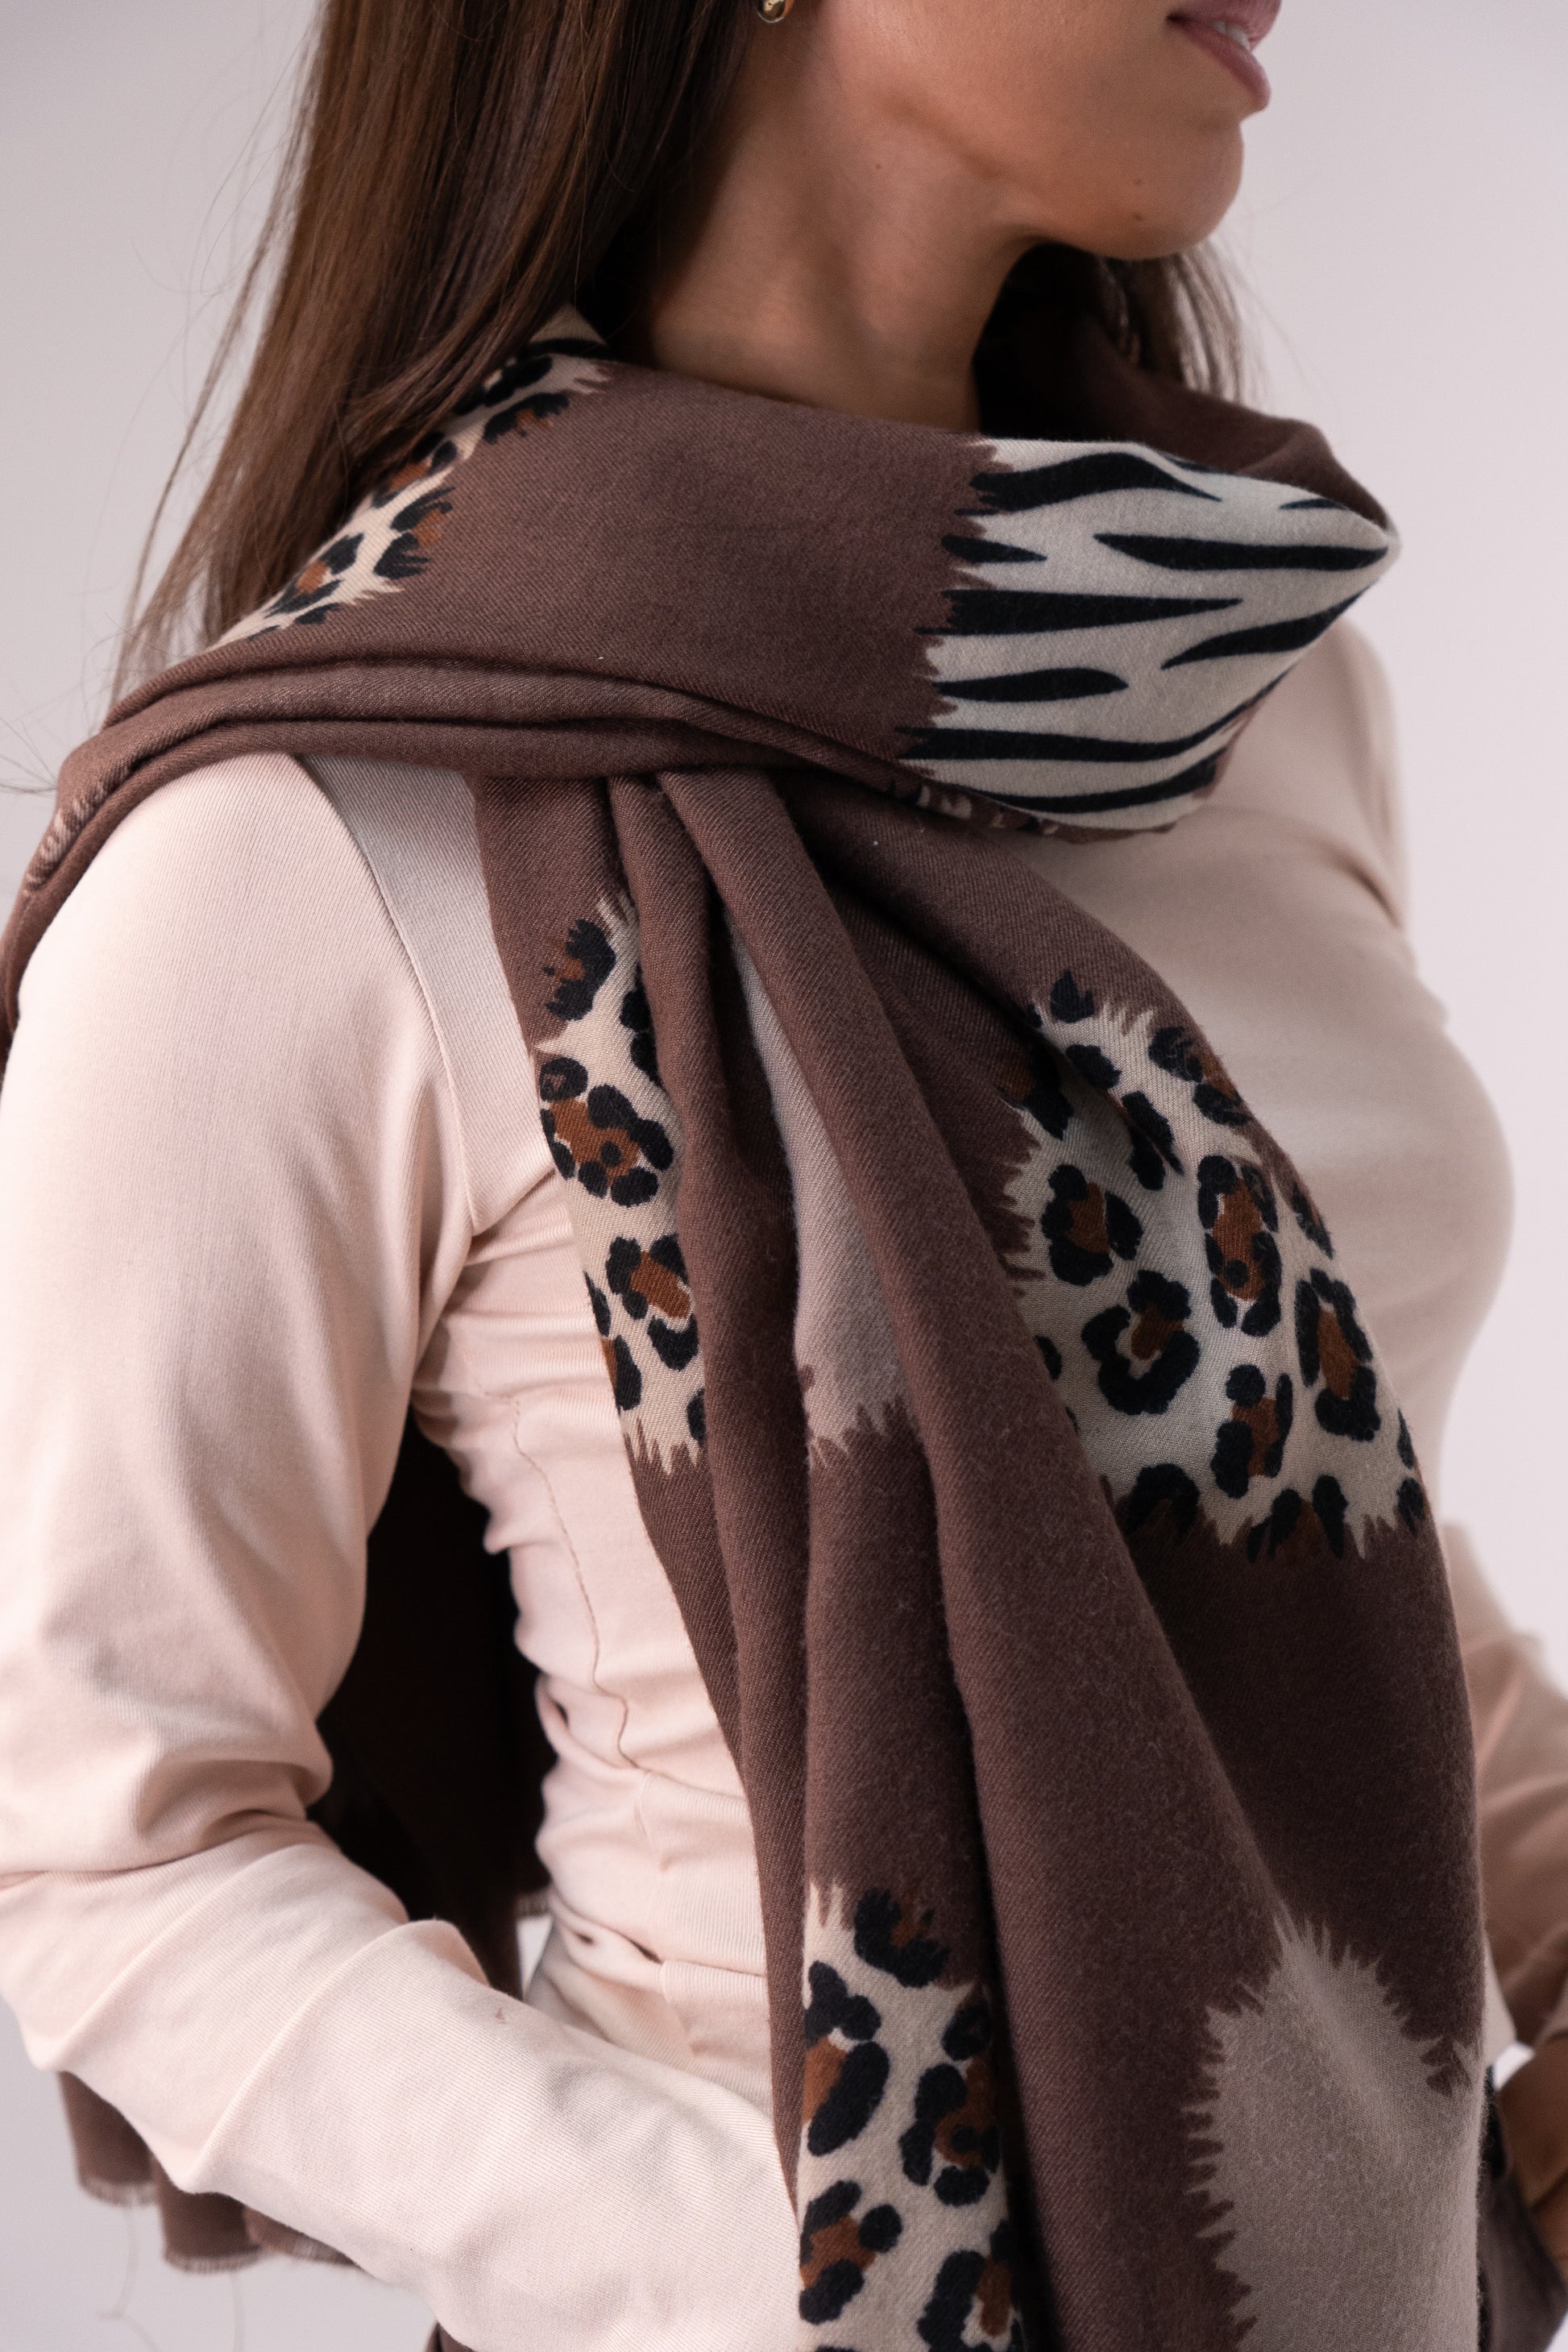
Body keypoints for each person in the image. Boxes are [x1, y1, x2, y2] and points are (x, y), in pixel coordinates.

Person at [3, 2, 1568, 2346]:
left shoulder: (1237, 692)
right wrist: (839, 2300)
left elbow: (1291, 1481)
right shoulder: (323, 828)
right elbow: (109, 1853)